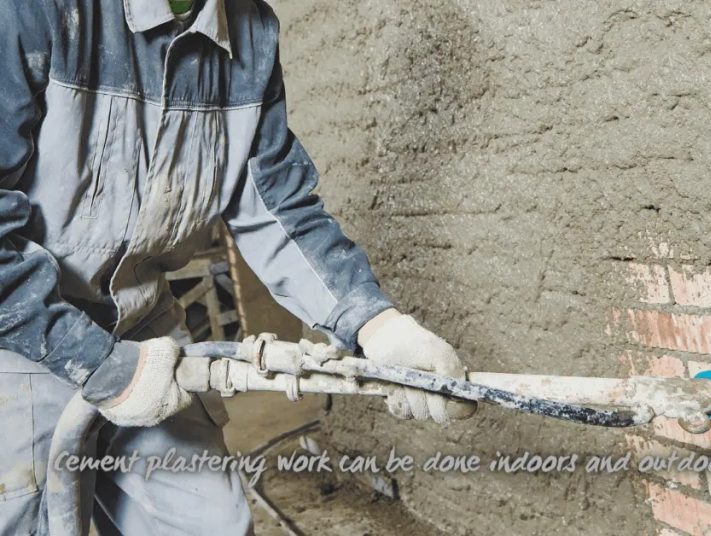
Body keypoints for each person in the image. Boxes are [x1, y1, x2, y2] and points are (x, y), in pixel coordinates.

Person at [0, 0, 474, 533]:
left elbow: (275, 208)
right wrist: (95, 362)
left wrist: (377, 325)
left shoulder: (250, 32)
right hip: (19, 331)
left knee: (210, 522)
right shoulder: (35, 12)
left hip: (142, 328)